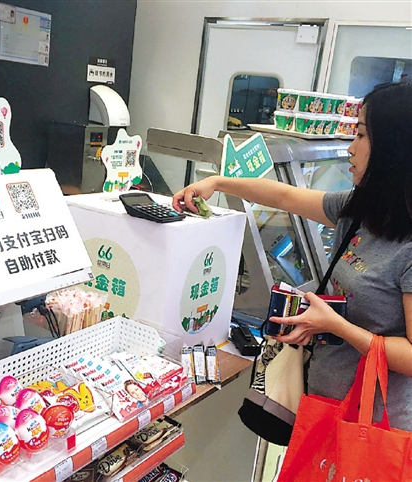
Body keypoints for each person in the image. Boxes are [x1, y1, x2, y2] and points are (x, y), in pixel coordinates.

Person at [172, 82, 412, 431]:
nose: (350, 148)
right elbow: (284, 197)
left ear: (394, 149)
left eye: (361, 135)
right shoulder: (362, 210)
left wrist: (335, 326)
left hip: (373, 427)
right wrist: (218, 183)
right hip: (323, 403)